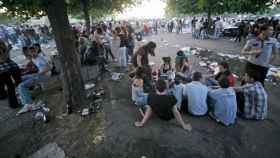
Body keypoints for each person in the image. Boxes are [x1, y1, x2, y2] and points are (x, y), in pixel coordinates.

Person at [17, 46, 51, 114]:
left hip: (44, 76)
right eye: (30, 52)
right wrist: (26, 70)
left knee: (21, 86)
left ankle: (29, 104)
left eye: (33, 52)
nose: (32, 54)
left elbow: (48, 68)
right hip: (39, 74)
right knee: (20, 78)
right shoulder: (33, 58)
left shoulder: (40, 58)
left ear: (36, 51)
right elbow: (33, 66)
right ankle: (24, 95)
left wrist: (38, 74)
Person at [0, 40, 22, 108]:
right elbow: (2, 60)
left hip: (10, 67)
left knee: (18, 82)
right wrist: (8, 50)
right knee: (11, 87)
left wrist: (7, 49)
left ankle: (23, 97)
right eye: (1, 42)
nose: (3, 43)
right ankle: (13, 104)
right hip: (3, 70)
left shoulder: (3, 48)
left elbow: (7, 57)